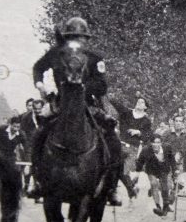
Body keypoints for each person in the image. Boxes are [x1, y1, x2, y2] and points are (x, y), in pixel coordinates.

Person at [31, 16, 122, 206]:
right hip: (60, 103)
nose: (77, 40)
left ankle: (112, 187)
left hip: (87, 104)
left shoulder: (95, 58)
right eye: (72, 36)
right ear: (66, 38)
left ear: (86, 39)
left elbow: (102, 85)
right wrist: (41, 85)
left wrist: (81, 87)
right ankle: (38, 180)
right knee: (39, 133)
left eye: (80, 37)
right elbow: (38, 67)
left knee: (112, 137)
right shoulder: (57, 53)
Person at [110, 96, 153, 204]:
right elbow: (118, 105)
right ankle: (120, 192)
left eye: (142, 102)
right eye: (138, 101)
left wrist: (139, 132)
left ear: (145, 107)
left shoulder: (146, 120)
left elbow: (148, 135)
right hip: (120, 146)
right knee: (114, 169)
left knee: (124, 171)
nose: (139, 103)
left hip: (132, 149)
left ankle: (131, 189)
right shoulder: (127, 113)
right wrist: (110, 97)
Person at [136, 134, 178, 216]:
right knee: (154, 184)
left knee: (166, 187)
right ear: (151, 143)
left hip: (164, 170)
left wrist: (175, 171)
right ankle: (158, 206)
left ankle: (166, 206)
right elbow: (140, 162)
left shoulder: (167, 148)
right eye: (154, 143)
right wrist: (137, 172)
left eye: (158, 142)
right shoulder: (146, 150)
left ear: (161, 143)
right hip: (152, 170)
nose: (156, 145)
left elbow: (172, 160)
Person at [0, 116, 27, 200]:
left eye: (18, 127)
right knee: (0, 174)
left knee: (16, 173)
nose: (16, 129)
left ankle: (17, 193)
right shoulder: (2, 129)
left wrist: (28, 160)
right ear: (10, 124)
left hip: (10, 155)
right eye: (14, 126)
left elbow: (26, 148)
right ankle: (0, 194)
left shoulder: (21, 134)